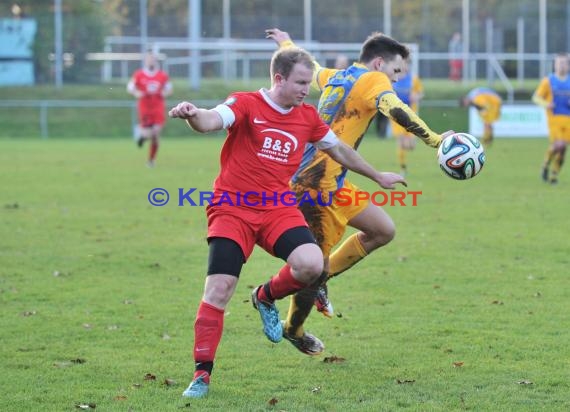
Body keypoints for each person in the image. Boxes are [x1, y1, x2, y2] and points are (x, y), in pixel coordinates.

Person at [169, 46, 406, 398]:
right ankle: (202, 374)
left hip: (277, 209)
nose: (306, 89)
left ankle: (265, 297)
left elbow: (339, 150)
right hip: (233, 208)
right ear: (278, 79)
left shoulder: (306, 116)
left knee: (312, 265)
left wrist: (377, 175)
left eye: (309, 82)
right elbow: (210, 121)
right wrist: (191, 114)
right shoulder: (246, 103)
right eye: (300, 82)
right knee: (219, 289)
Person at [265, 28, 453, 356]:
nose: (395, 80)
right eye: (396, 72)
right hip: (315, 187)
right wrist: (435, 139)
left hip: (334, 182)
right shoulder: (373, 80)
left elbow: (308, 64)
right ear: (379, 63)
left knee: (383, 230)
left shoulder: (337, 76)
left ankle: (323, 279)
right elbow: (395, 108)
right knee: (312, 269)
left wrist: (286, 43)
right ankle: (294, 329)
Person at [127, 51, 172, 168]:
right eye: (149, 59)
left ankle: (151, 160)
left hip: (158, 108)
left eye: (153, 59)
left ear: (156, 60)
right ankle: (142, 137)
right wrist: (137, 93)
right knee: (148, 134)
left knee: (156, 134)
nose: (151, 61)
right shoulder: (139, 74)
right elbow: (130, 87)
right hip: (145, 108)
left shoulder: (162, 75)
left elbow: (169, 90)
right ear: (146, 61)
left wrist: (164, 93)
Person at [532, 53, 570, 184]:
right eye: (559, 63)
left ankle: (553, 174)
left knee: (563, 149)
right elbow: (536, 98)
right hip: (554, 119)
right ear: (554, 65)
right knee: (558, 145)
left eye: (564, 63)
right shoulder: (548, 81)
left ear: (568, 65)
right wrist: (547, 104)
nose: (561, 65)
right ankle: (546, 164)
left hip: (568, 120)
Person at [390, 58, 424, 175]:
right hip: (396, 114)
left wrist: (417, 97)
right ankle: (403, 168)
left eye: (406, 64)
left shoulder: (413, 79)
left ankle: (409, 145)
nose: (404, 66)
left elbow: (420, 93)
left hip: (410, 115)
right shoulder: (393, 78)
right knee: (400, 141)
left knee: (410, 145)